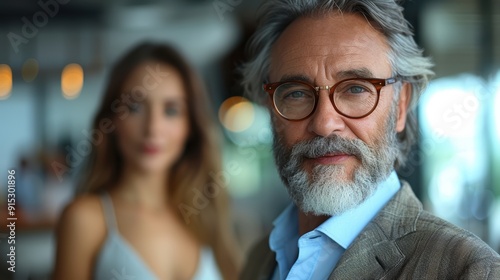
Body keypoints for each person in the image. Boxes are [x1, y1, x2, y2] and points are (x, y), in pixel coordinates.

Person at [239, 0, 500, 279]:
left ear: (400, 106)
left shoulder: (470, 269)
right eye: (296, 94)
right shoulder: (261, 258)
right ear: (271, 110)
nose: (325, 124)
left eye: (355, 89)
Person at [53, 42, 241, 280]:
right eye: (135, 107)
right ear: (112, 121)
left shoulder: (205, 217)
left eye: (171, 110)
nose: (153, 128)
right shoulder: (85, 219)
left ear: (190, 127)